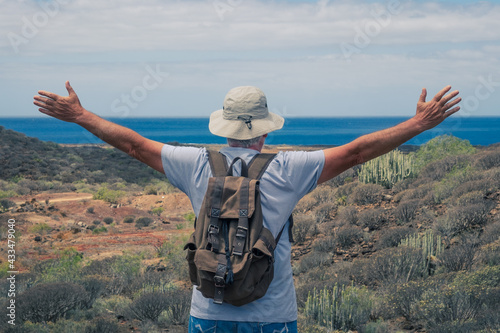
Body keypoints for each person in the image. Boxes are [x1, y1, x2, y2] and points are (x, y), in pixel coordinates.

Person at [33, 82, 461, 332]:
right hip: (272, 314)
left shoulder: (194, 163)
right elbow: (354, 154)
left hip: (208, 310)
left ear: (225, 127)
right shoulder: (290, 168)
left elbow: (132, 144)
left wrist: (81, 116)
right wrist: (418, 124)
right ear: (263, 130)